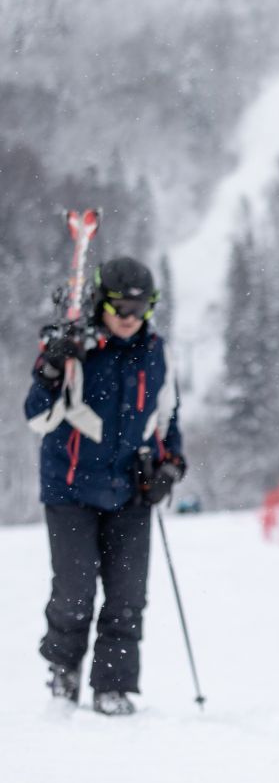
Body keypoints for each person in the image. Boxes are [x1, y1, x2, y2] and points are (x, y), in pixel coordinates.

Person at [24, 256, 186, 717]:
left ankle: (113, 686)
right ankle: (63, 666)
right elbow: (37, 416)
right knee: (74, 592)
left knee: (128, 596)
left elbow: (168, 416)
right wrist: (52, 368)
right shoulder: (73, 345)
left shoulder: (156, 352)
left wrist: (169, 467)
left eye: (141, 309)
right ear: (100, 302)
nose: (131, 319)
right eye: (121, 308)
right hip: (70, 488)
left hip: (130, 491)